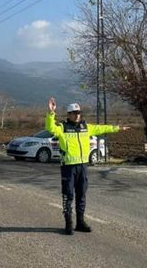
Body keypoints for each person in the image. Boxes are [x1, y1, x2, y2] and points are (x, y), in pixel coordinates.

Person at [45, 97, 130, 235]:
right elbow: (50, 127)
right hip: (68, 167)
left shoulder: (86, 127)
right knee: (68, 195)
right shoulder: (62, 128)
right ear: (69, 114)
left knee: (81, 194)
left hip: (83, 166)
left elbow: (102, 128)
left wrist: (117, 128)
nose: (77, 115)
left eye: (79, 113)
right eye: (74, 113)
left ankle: (80, 222)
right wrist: (51, 113)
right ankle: (69, 223)